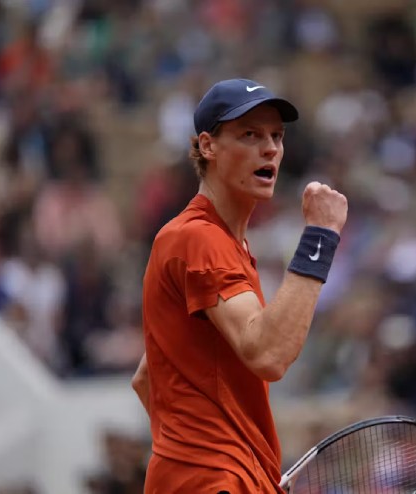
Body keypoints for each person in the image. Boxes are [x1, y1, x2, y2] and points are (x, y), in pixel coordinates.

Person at [132, 78, 348, 493]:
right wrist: (320, 236)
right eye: (250, 135)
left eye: (276, 136)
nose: (270, 149)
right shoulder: (199, 238)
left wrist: (239, 463)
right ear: (208, 146)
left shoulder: (220, 242)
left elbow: (147, 376)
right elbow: (268, 354)